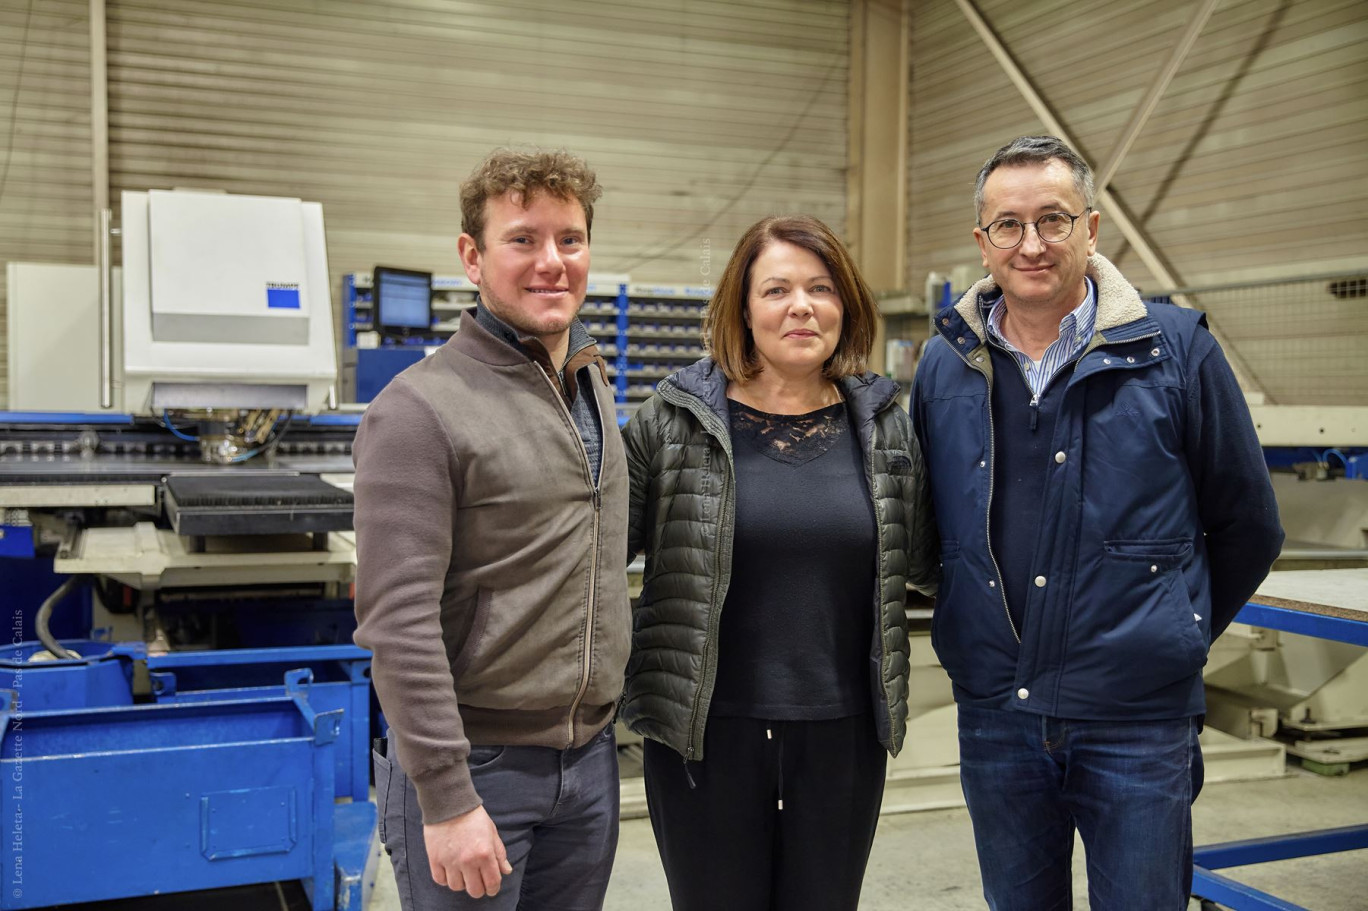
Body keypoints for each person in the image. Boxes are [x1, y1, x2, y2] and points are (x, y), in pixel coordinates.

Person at [910, 135, 1284, 909]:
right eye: (1008, 226)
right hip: (997, 715)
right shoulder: (946, 365)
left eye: (1053, 219)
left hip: (1137, 720)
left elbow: (1248, 523)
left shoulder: (1176, 351)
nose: (1033, 244)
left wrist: (1169, 632)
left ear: (1092, 227)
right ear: (983, 243)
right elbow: (928, 530)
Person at [620, 214, 939, 911]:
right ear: (743, 306)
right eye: (777, 289)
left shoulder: (884, 424)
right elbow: (597, 558)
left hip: (842, 736)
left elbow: (933, 561)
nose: (801, 305)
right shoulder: (672, 421)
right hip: (704, 740)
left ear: (846, 305)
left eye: (821, 287)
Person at [352, 148, 629, 910]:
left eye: (570, 240)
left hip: (589, 766)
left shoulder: (590, 384)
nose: (553, 262)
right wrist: (444, 795)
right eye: (523, 239)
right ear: (472, 257)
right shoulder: (418, 410)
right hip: (476, 768)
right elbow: (396, 620)